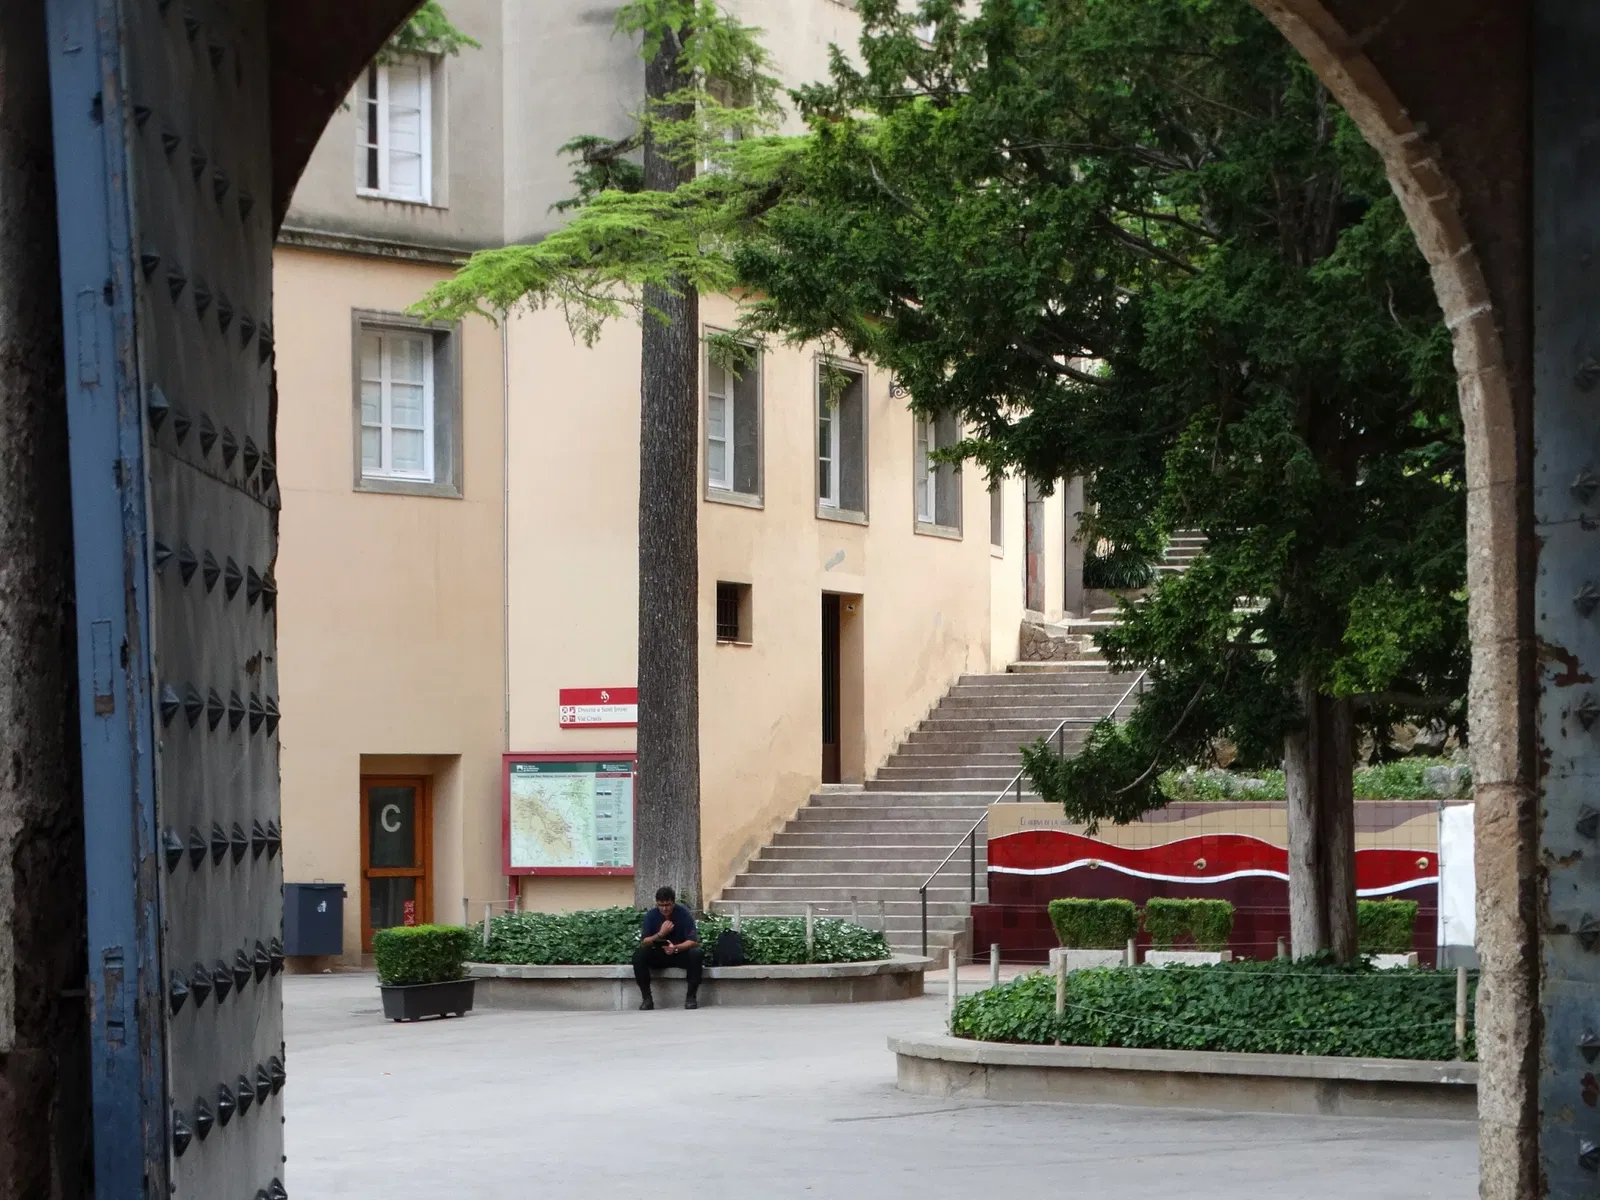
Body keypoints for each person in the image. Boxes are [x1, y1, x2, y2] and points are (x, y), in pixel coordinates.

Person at [633, 886, 702, 1010]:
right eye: (661, 905)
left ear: (673, 903)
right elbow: (644, 942)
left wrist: (676, 948)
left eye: (667, 905)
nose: (664, 909)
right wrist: (660, 934)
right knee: (639, 955)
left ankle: (691, 997)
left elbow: (693, 941)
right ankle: (647, 999)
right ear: (657, 903)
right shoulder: (651, 915)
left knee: (696, 954)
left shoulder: (684, 914)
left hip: (679, 953)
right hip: (659, 954)